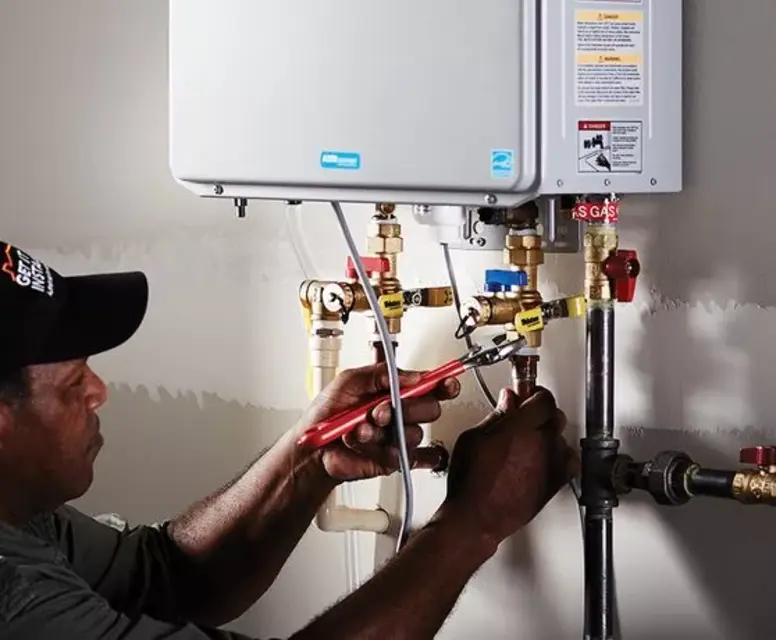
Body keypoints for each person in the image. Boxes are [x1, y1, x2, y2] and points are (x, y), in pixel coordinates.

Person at [0, 239, 577, 639]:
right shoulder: (13, 599)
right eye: (74, 381)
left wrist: (307, 460)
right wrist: (472, 522)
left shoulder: (21, 516)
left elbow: (165, 579)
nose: (99, 391)